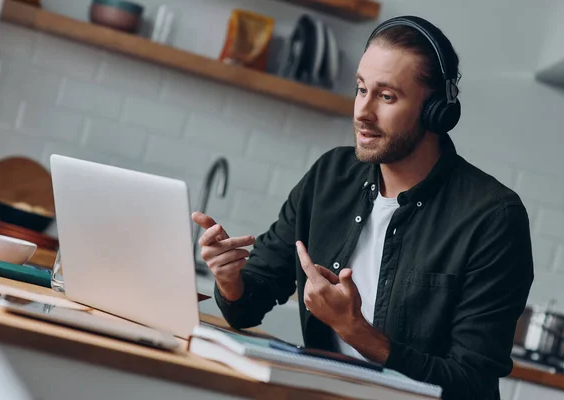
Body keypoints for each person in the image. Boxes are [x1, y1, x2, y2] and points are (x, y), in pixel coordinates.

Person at [192, 15, 534, 400]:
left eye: (386, 97)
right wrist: (230, 281)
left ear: (437, 111)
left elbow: (470, 385)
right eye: (360, 89)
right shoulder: (331, 175)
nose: (362, 112)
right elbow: (247, 306)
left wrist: (358, 333)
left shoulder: (493, 217)